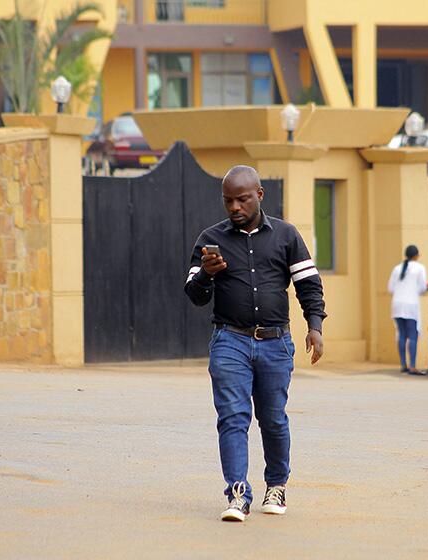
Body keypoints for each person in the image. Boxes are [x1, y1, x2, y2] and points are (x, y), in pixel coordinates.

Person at [184, 165, 326, 522]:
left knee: (273, 419)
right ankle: (236, 494)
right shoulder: (208, 240)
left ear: (259, 195)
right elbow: (194, 294)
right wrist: (206, 274)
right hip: (229, 340)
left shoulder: (286, 235)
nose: (234, 207)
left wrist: (315, 326)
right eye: (228, 200)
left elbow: (308, 285)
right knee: (232, 417)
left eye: (242, 199)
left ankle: (276, 485)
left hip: (275, 343)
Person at [388, 245, 428, 375]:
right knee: (412, 335)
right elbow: (423, 287)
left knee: (402, 335)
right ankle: (412, 366)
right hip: (411, 305)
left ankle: (403, 365)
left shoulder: (397, 268)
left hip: (397, 304)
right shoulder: (420, 268)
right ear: (416, 256)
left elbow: (390, 288)